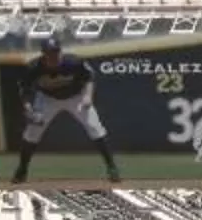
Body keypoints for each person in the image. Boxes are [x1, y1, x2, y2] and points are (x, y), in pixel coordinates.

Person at [10, 34, 121, 184]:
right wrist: (28, 108)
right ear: (43, 54)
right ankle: (22, 170)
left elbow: (89, 77)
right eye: (49, 53)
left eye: (56, 52)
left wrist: (88, 96)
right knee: (31, 134)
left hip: (76, 97)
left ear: (60, 51)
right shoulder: (33, 67)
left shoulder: (73, 62)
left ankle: (112, 167)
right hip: (47, 99)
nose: (53, 56)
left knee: (95, 127)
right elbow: (24, 89)